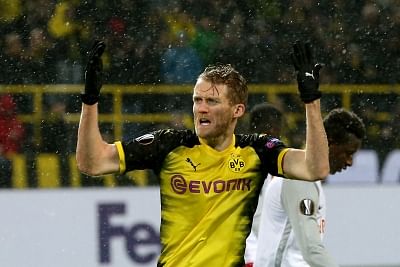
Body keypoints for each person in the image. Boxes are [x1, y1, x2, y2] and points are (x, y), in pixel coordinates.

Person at [76, 40, 329, 267]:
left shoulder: (257, 151)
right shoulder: (168, 145)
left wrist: (311, 101)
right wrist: (89, 100)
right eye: (198, 100)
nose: (201, 109)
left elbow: (315, 168)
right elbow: (93, 162)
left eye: (212, 102)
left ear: (237, 110)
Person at [247, 108, 366, 267]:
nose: (350, 162)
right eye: (347, 153)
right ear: (328, 143)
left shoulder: (307, 179)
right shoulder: (299, 178)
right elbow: (311, 249)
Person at [244, 102, 285, 265]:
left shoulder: (279, 162)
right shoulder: (240, 162)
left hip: (270, 251)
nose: (276, 135)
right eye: (271, 129)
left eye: (278, 130)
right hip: (249, 251)